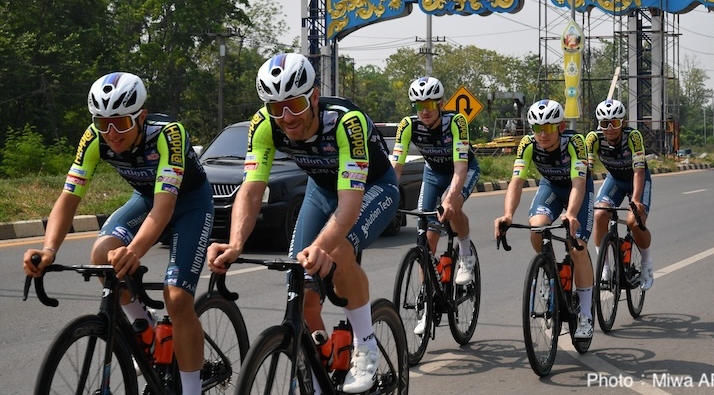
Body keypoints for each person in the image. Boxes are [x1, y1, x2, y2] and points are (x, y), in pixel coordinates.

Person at [207, 53, 399, 394]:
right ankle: (322, 355)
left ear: (313, 95)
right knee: (301, 279)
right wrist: (236, 243)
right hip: (321, 189)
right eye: (276, 107)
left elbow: (350, 205)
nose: (286, 117)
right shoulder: (264, 125)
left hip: (372, 187)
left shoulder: (345, 122)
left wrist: (322, 247)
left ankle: (366, 346)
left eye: (294, 104)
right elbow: (251, 191)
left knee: (337, 251)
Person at [22, 72, 213, 395]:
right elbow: (69, 198)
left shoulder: (169, 134)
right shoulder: (94, 138)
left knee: (178, 297)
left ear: (140, 117)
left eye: (121, 124)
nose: (111, 133)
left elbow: (164, 209)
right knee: (101, 255)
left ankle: (191, 389)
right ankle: (144, 323)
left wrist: (134, 251)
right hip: (146, 197)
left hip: (190, 203)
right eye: (102, 122)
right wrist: (50, 249)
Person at [493, 99, 594, 339]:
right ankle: (552, 274)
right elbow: (516, 182)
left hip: (576, 189)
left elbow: (579, 184)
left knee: (577, 248)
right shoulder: (528, 144)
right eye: (537, 128)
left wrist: (570, 213)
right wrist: (508, 215)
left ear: (559, 127)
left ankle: (586, 316)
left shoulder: (575, 142)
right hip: (550, 186)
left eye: (548, 128)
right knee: (537, 227)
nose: (542, 134)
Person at [391, 77, 481, 334]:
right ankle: (426, 301)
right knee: (425, 237)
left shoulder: (456, 122)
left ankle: (465, 255)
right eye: (419, 105)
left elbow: (461, 167)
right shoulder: (408, 125)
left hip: (461, 169)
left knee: (451, 208)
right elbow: (395, 168)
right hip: (433, 173)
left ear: (441, 103)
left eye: (430, 103)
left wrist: (451, 197)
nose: (425, 110)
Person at [585, 99, 654, 290]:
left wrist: (636, 200)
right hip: (614, 180)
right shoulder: (593, 138)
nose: (609, 128)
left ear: (623, 122)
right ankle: (605, 268)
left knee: (634, 222)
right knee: (599, 214)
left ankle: (647, 264)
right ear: (599, 124)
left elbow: (639, 170)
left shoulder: (633, 136)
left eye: (614, 123)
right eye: (604, 123)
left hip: (636, 179)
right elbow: (587, 173)